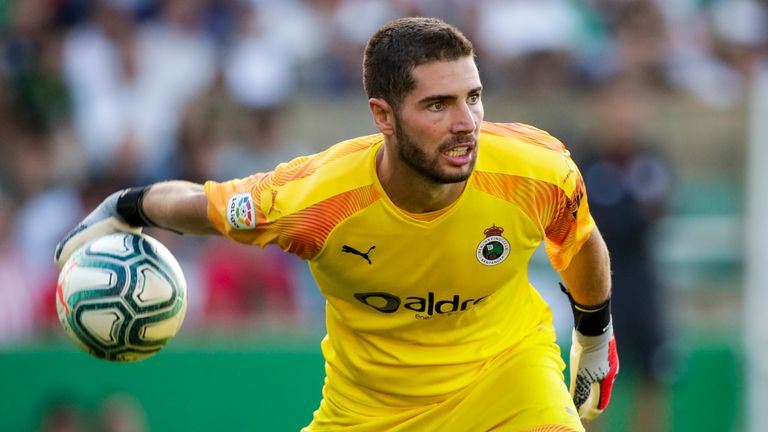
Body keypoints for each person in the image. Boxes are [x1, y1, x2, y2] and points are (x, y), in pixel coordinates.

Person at [55, 17, 618, 432]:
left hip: (509, 381)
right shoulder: (316, 198)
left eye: (473, 97)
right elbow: (203, 208)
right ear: (383, 116)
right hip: (370, 411)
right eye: (438, 104)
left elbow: (579, 241)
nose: (466, 123)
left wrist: (594, 338)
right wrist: (124, 207)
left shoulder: (536, 169)